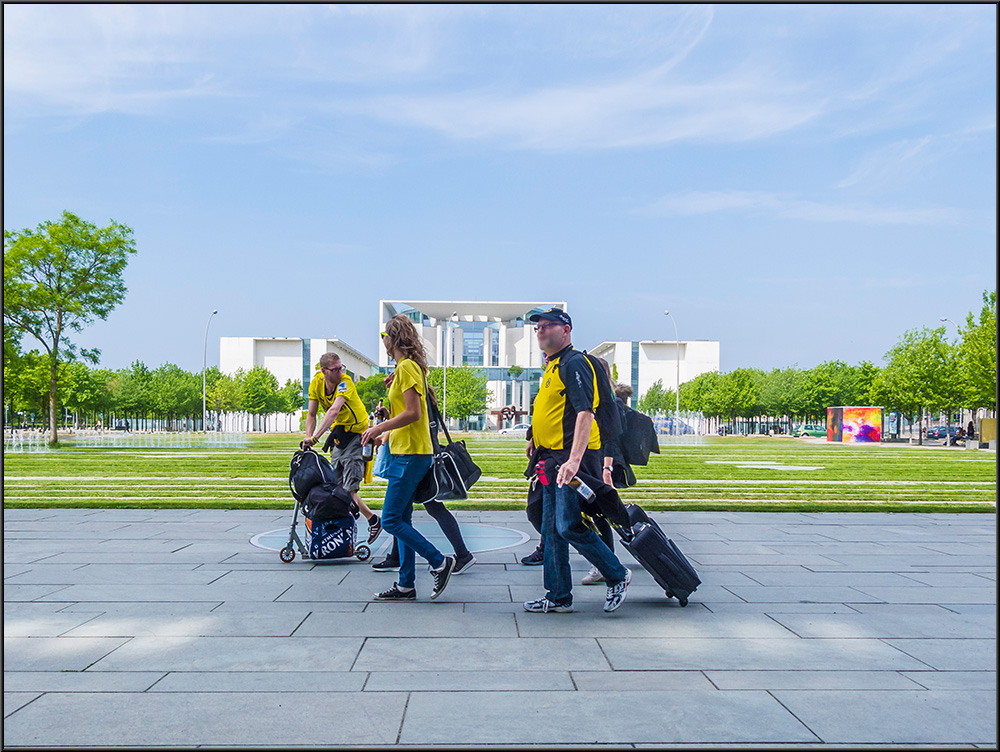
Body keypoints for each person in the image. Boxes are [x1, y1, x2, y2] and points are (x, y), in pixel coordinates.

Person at [521, 307, 631, 614]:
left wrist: (573, 461)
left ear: (565, 329)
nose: (540, 331)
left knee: (568, 525)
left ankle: (617, 574)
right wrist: (535, 437)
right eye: (537, 327)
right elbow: (554, 410)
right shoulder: (553, 366)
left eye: (546, 326)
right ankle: (558, 597)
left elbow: (585, 413)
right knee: (551, 528)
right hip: (551, 459)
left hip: (570, 460)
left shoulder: (574, 363)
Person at [360, 314, 456, 601]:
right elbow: (408, 412)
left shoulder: (407, 368)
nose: (383, 342)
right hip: (406, 450)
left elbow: (414, 413)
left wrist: (378, 426)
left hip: (411, 454)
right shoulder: (407, 369)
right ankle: (405, 585)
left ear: (394, 338)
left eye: (384, 336)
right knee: (403, 518)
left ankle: (439, 561)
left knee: (389, 519)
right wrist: (386, 425)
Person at [302, 352, 382, 544]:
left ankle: (373, 520)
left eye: (341, 367)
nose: (339, 371)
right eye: (335, 369)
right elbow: (311, 414)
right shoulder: (316, 384)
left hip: (358, 434)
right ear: (324, 371)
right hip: (340, 434)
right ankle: (341, 526)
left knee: (349, 486)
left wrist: (315, 437)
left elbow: (334, 410)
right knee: (333, 483)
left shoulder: (345, 382)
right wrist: (307, 437)